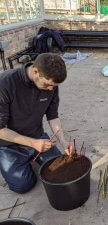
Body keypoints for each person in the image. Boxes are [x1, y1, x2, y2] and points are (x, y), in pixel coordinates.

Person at [0, 53, 73, 194]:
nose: (51, 89)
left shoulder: (51, 85)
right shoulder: (5, 83)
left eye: (54, 86)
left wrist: (63, 141)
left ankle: (31, 156)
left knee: (61, 169)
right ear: (35, 72)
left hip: (37, 135)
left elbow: (53, 116)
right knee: (23, 185)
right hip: (8, 144)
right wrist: (33, 143)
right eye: (48, 84)